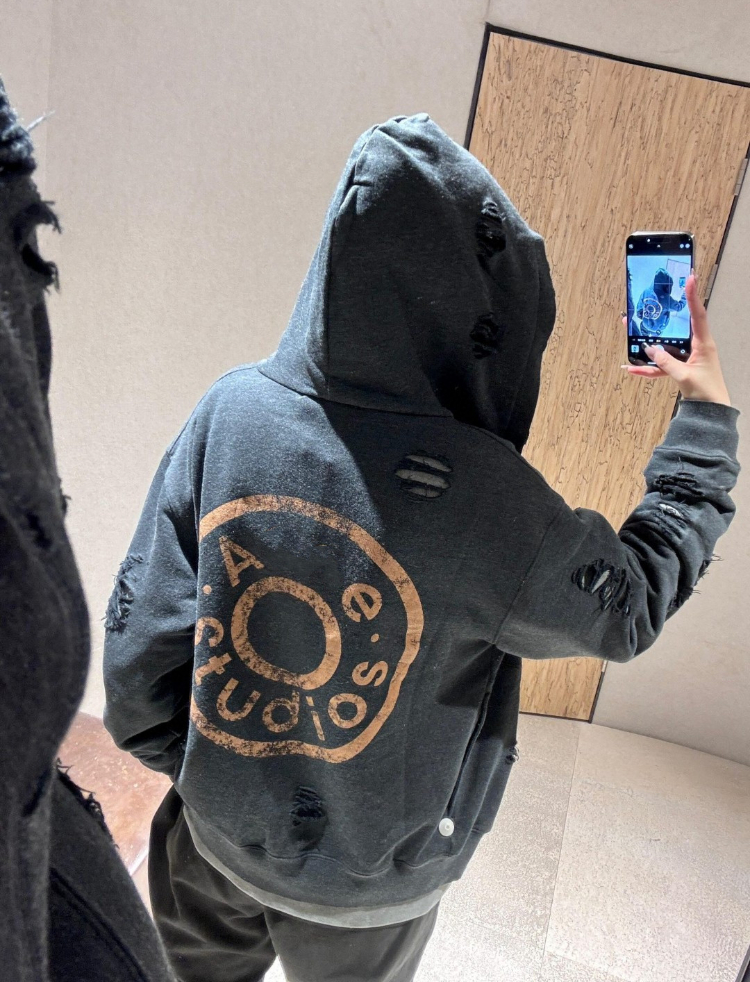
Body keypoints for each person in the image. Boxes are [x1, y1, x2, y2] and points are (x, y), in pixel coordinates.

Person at [0, 82, 739, 982]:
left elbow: (139, 646)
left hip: (208, 845)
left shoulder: (230, 413)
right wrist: (704, 412)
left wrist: (208, 782)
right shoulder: (490, 500)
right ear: (493, 317)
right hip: (372, 890)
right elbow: (629, 608)